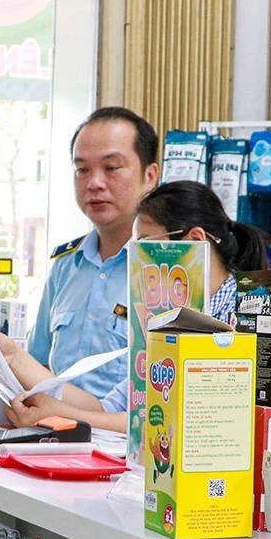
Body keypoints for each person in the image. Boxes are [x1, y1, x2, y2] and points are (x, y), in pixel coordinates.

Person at [0, 181, 268, 434]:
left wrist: (60, 414)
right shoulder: (168, 320)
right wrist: (14, 358)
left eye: (145, 248)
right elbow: (110, 407)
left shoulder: (244, 320)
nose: (137, 263)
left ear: (194, 241)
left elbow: (177, 422)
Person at [24, 107, 160, 398]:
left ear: (149, 176)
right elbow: (36, 364)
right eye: (82, 170)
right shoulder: (65, 265)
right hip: (55, 437)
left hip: (129, 439)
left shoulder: (165, 268)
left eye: (111, 168)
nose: (94, 183)